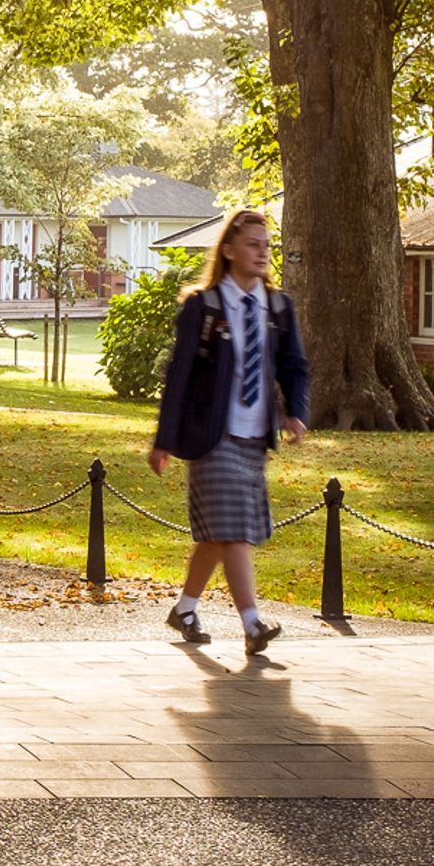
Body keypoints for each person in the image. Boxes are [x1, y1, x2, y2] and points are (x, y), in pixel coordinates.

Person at [148, 207, 309, 655]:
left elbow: (295, 367)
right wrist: (164, 441)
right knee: (234, 529)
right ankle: (253, 623)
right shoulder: (204, 306)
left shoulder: (278, 306)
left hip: (255, 437)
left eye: (267, 246)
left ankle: (184, 609)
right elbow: (178, 377)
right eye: (254, 245)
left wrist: (296, 412)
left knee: (218, 534)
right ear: (230, 249)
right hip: (211, 436)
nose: (262, 254)